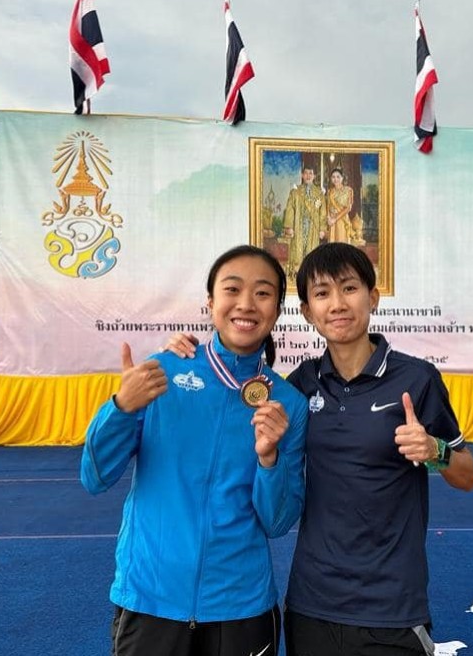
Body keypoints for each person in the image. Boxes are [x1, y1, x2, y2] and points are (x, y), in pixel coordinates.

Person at [165, 242, 473, 656]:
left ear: (372, 297)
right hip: (311, 604)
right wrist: (188, 356)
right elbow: (236, 388)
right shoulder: (300, 385)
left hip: (392, 606)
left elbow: (467, 475)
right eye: (322, 293)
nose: (337, 304)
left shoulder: (417, 379)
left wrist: (435, 449)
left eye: (349, 288)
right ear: (308, 311)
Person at [80, 245, 308, 656]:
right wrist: (121, 408)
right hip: (151, 598)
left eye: (262, 293)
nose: (246, 304)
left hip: (241, 606)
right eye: (232, 289)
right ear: (210, 303)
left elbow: (277, 522)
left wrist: (268, 460)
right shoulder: (162, 373)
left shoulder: (287, 403)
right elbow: (94, 477)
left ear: (276, 311)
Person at [282, 166, 326, 279]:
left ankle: (311, 273)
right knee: (297, 249)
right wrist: (289, 226)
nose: (308, 176)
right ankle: (297, 273)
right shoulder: (295, 192)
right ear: (302, 175)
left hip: (313, 226)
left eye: (311, 173)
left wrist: (322, 229)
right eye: (306, 173)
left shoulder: (319, 193)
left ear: (314, 176)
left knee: (312, 249)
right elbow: (290, 209)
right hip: (298, 225)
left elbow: (323, 212)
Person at [325, 167, 354, 243]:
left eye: (338, 177)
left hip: (342, 220)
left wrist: (335, 219)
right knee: (332, 245)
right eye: (333, 177)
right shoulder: (330, 192)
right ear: (331, 179)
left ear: (342, 178)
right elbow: (327, 206)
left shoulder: (348, 190)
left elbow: (348, 208)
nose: (335, 179)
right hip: (331, 221)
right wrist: (328, 218)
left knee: (342, 244)